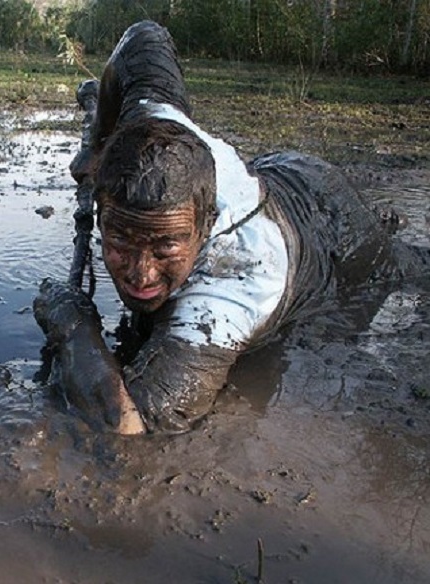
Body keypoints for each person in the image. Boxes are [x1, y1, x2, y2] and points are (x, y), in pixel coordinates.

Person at [33, 20, 429, 436]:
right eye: (120, 239)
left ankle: (384, 229)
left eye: (166, 245)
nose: (140, 272)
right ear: (101, 209)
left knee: (405, 268)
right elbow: (142, 38)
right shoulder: (152, 123)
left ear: (206, 227)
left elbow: (130, 425)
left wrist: (72, 325)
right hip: (279, 171)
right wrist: (98, 148)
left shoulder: (232, 284)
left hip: (337, 238)